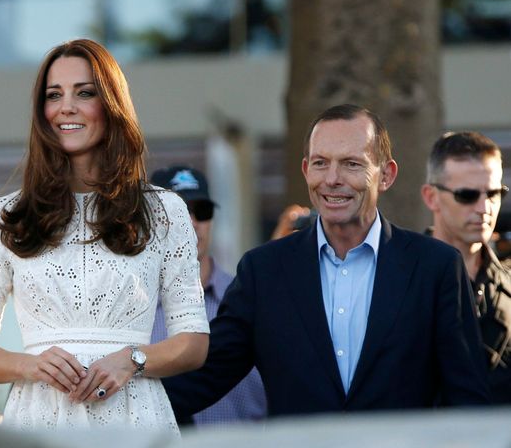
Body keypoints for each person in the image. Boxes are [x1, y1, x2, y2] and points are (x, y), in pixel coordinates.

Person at [164, 104, 490, 418]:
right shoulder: (263, 272)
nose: (332, 178)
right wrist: (122, 394)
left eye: (351, 163)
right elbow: (202, 379)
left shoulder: (435, 267)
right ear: (306, 171)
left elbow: (467, 399)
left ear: (386, 175)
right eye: (321, 163)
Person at [0, 39, 209, 434]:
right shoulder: (4, 216)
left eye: (84, 93)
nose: (66, 107)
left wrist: (132, 360)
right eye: (53, 95)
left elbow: (193, 342)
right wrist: (30, 364)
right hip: (38, 425)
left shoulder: (164, 211)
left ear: (111, 104)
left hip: (136, 422)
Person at [150, 165, 267, 426]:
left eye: (201, 211)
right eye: (177, 210)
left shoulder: (249, 296)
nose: (191, 221)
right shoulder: (133, 309)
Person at [421, 131, 511, 403]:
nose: (484, 207)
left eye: (495, 193)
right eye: (467, 195)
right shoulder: (396, 282)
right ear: (431, 197)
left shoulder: (508, 283)